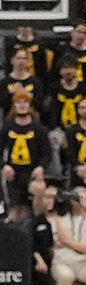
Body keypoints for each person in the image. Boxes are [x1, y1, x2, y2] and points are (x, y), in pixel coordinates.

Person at [1, 91, 51, 219]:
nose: (22, 105)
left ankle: (38, 223)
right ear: (14, 105)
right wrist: (4, 166)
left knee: (39, 191)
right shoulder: (7, 128)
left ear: (30, 106)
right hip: (13, 173)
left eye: (25, 102)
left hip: (32, 172)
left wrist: (41, 167)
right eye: (18, 102)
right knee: (15, 207)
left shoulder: (39, 129)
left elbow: (47, 153)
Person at [29, 179, 58, 285]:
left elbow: (50, 245)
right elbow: (30, 244)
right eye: (41, 198)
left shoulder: (45, 221)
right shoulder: (29, 220)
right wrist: (39, 259)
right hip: (34, 259)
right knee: (41, 274)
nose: (45, 202)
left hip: (48, 258)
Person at [1, 47, 40, 115]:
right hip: (9, 121)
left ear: (28, 61)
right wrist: (10, 92)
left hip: (31, 120)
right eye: (18, 58)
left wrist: (27, 95)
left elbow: (40, 105)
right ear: (12, 60)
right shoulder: (4, 82)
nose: (21, 61)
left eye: (24, 58)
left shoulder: (35, 82)